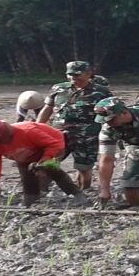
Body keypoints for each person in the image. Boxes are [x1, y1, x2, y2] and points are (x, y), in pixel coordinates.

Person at [0, 117, 87, 206]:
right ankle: (31, 198)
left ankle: (76, 193)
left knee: (50, 169)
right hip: (24, 154)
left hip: (53, 145)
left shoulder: (28, 131)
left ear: (2, 131)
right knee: (26, 174)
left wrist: (45, 159)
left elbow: (54, 144)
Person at [37, 61, 113, 190]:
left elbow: (110, 114)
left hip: (87, 137)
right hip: (59, 135)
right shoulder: (58, 88)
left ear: (88, 74)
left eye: (77, 75)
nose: (73, 78)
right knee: (48, 163)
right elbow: (47, 109)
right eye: (70, 75)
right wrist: (37, 127)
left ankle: (83, 192)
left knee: (84, 168)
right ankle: (40, 191)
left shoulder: (101, 92)